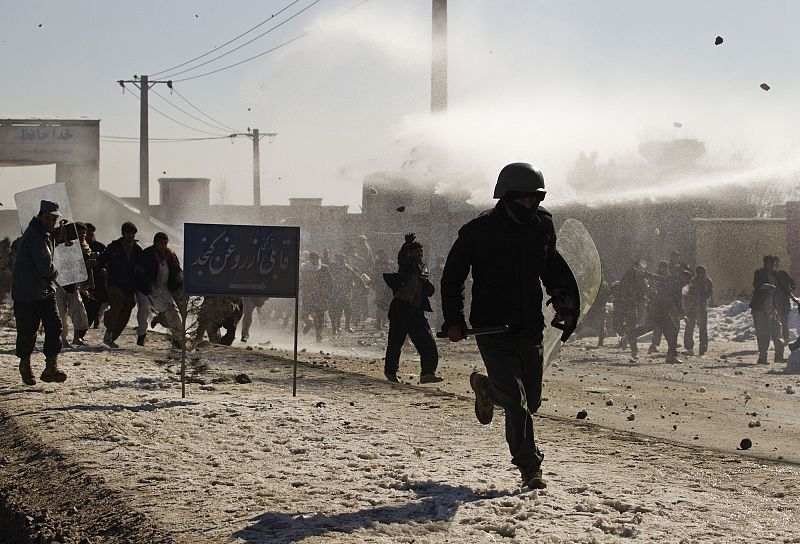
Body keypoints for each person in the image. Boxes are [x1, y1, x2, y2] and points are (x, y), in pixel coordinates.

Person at [440, 163, 579, 489]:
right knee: (517, 403)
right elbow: (453, 277)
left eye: (535, 199)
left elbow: (551, 265)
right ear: (506, 196)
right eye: (523, 199)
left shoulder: (542, 225)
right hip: (491, 327)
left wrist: (561, 296)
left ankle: (486, 388)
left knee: (532, 400)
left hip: (529, 324)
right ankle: (530, 467)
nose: (529, 205)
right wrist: (454, 319)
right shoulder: (478, 231)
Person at [12, 200, 67, 385]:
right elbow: (45, 267)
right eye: (48, 218)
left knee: (54, 326)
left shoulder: (44, 234)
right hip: (27, 293)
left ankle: (51, 366)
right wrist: (55, 272)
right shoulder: (36, 236)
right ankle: (25, 365)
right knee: (27, 332)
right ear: (41, 216)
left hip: (44, 291)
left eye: (54, 219)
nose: (51, 221)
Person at [382, 233, 442, 384]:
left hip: (416, 311)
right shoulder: (407, 266)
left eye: (421, 251)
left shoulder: (422, 269)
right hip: (400, 309)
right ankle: (390, 372)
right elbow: (402, 258)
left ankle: (427, 373)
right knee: (395, 342)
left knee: (428, 343)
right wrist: (407, 244)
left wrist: (425, 282)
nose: (419, 254)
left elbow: (429, 291)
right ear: (410, 253)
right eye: (416, 252)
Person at [135, 232, 183, 348]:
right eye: (161, 243)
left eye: (165, 243)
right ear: (155, 243)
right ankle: (141, 335)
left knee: (172, 312)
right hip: (145, 288)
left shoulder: (170, 255)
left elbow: (177, 272)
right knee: (144, 308)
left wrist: (181, 283)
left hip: (163, 288)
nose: (163, 246)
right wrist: (150, 284)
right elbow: (139, 274)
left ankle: (178, 339)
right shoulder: (147, 254)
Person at [100, 222, 143, 348]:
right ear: (123, 234)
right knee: (117, 304)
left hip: (129, 286)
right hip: (115, 283)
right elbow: (102, 260)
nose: (131, 236)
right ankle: (109, 330)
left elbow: (142, 266)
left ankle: (112, 337)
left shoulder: (137, 249)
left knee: (127, 310)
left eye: (133, 233)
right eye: (128, 233)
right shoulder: (114, 247)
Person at [55, 222, 93, 348]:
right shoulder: (63, 246)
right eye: (79, 233)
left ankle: (77, 337)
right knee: (62, 314)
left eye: (84, 233)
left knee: (78, 312)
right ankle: (63, 340)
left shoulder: (85, 248)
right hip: (60, 284)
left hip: (75, 285)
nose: (82, 236)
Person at [750, 255, 785, 364]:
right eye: (770, 263)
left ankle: (779, 356)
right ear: (765, 264)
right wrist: (768, 286)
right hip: (760, 307)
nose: (773, 266)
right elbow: (758, 285)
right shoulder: (759, 273)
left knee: (777, 331)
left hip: (772, 308)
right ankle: (762, 356)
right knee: (763, 333)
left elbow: (783, 289)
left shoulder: (776, 274)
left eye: (774, 264)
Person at [300, 251, 331, 342]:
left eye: (317, 258)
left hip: (318, 295)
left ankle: (318, 334)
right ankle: (309, 324)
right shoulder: (305, 268)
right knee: (306, 313)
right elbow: (301, 281)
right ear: (310, 259)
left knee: (319, 316)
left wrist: (327, 292)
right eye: (314, 258)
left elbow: (330, 281)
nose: (316, 260)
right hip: (310, 295)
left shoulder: (324, 268)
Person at [683, 265, 713, 355]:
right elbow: (688, 294)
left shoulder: (706, 281)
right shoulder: (693, 282)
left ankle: (701, 347)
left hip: (700, 307)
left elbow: (709, 293)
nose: (703, 275)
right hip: (693, 307)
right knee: (692, 327)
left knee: (699, 327)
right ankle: (691, 347)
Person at [83, 223, 108, 329]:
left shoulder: (100, 247)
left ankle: (96, 317)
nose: (90, 235)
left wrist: (104, 269)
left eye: (91, 232)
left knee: (98, 302)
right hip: (83, 280)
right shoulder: (79, 247)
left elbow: (107, 262)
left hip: (98, 280)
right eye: (87, 232)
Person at [328, 253, 356, 335]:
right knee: (335, 311)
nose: (342, 262)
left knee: (348, 310)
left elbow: (351, 281)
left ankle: (347, 326)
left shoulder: (348, 269)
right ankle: (335, 328)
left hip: (345, 293)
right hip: (334, 293)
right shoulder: (332, 268)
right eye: (340, 260)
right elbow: (328, 280)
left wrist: (350, 289)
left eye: (343, 261)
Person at [773, 256, 796, 345]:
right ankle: (777, 340)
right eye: (774, 263)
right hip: (773, 302)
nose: (776, 265)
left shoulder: (783, 274)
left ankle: (785, 338)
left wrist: (789, 290)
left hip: (784, 301)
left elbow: (793, 284)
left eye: (777, 263)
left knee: (784, 321)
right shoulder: (769, 275)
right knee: (775, 322)